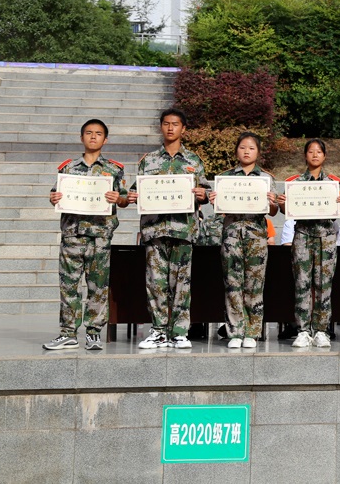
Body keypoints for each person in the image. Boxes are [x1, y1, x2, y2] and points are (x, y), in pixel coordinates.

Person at [44, 119, 129, 351]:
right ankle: (68, 332)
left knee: (98, 285)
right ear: (81, 137)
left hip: (100, 236)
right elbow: (55, 194)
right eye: (89, 133)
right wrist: (54, 198)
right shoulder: (67, 168)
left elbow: (124, 200)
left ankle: (93, 333)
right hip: (73, 234)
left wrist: (118, 199)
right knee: (68, 285)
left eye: (98, 133)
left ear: (105, 139)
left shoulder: (114, 169)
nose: (93, 137)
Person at [128, 108, 209, 349]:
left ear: (183, 129)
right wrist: (133, 195)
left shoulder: (194, 161)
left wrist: (203, 195)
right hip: (154, 230)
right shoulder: (148, 160)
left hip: (183, 230)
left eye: (175, 124)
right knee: (155, 282)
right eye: (166, 124)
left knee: (182, 283)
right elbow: (136, 189)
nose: (171, 128)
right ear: (161, 127)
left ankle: (180, 331)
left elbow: (205, 193)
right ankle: (158, 330)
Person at [209, 132, 278, 349]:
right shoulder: (226, 178)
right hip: (231, 236)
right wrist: (214, 200)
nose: (246, 151)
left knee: (254, 285)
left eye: (251, 148)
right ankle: (235, 331)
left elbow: (274, 212)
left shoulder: (266, 179)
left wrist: (273, 202)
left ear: (258, 152)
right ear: (236, 151)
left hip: (256, 237)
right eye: (242, 147)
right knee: (232, 284)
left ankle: (252, 332)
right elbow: (219, 209)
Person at [276, 138, 340, 349]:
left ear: (324, 156)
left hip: (326, 238)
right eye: (310, 151)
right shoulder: (295, 182)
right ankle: (303, 330)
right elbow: (286, 212)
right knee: (302, 284)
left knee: (324, 285)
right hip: (303, 236)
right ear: (305, 155)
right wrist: (282, 205)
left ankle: (321, 330)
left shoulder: (334, 183)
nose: (315, 155)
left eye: (319, 152)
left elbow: (339, 214)